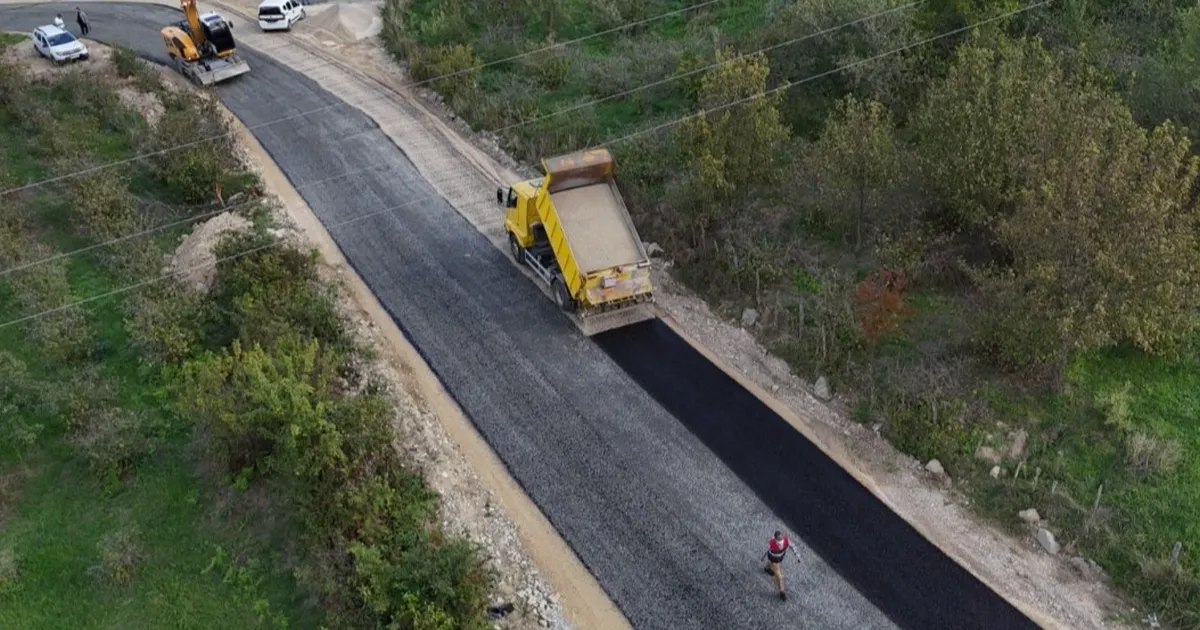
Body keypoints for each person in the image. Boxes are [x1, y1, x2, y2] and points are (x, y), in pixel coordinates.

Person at [761, 530, 799, 601]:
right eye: (778, 540)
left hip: (779, 557)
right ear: (775, 539)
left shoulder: (786, 540)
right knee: (779, 575)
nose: (780, 542)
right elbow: (769, 548)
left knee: (770, 563)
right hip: (775, 559)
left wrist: (797, 556)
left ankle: (767, 568)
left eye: (781, 539)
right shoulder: (772, 542)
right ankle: (782, 591)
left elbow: (793, 546)